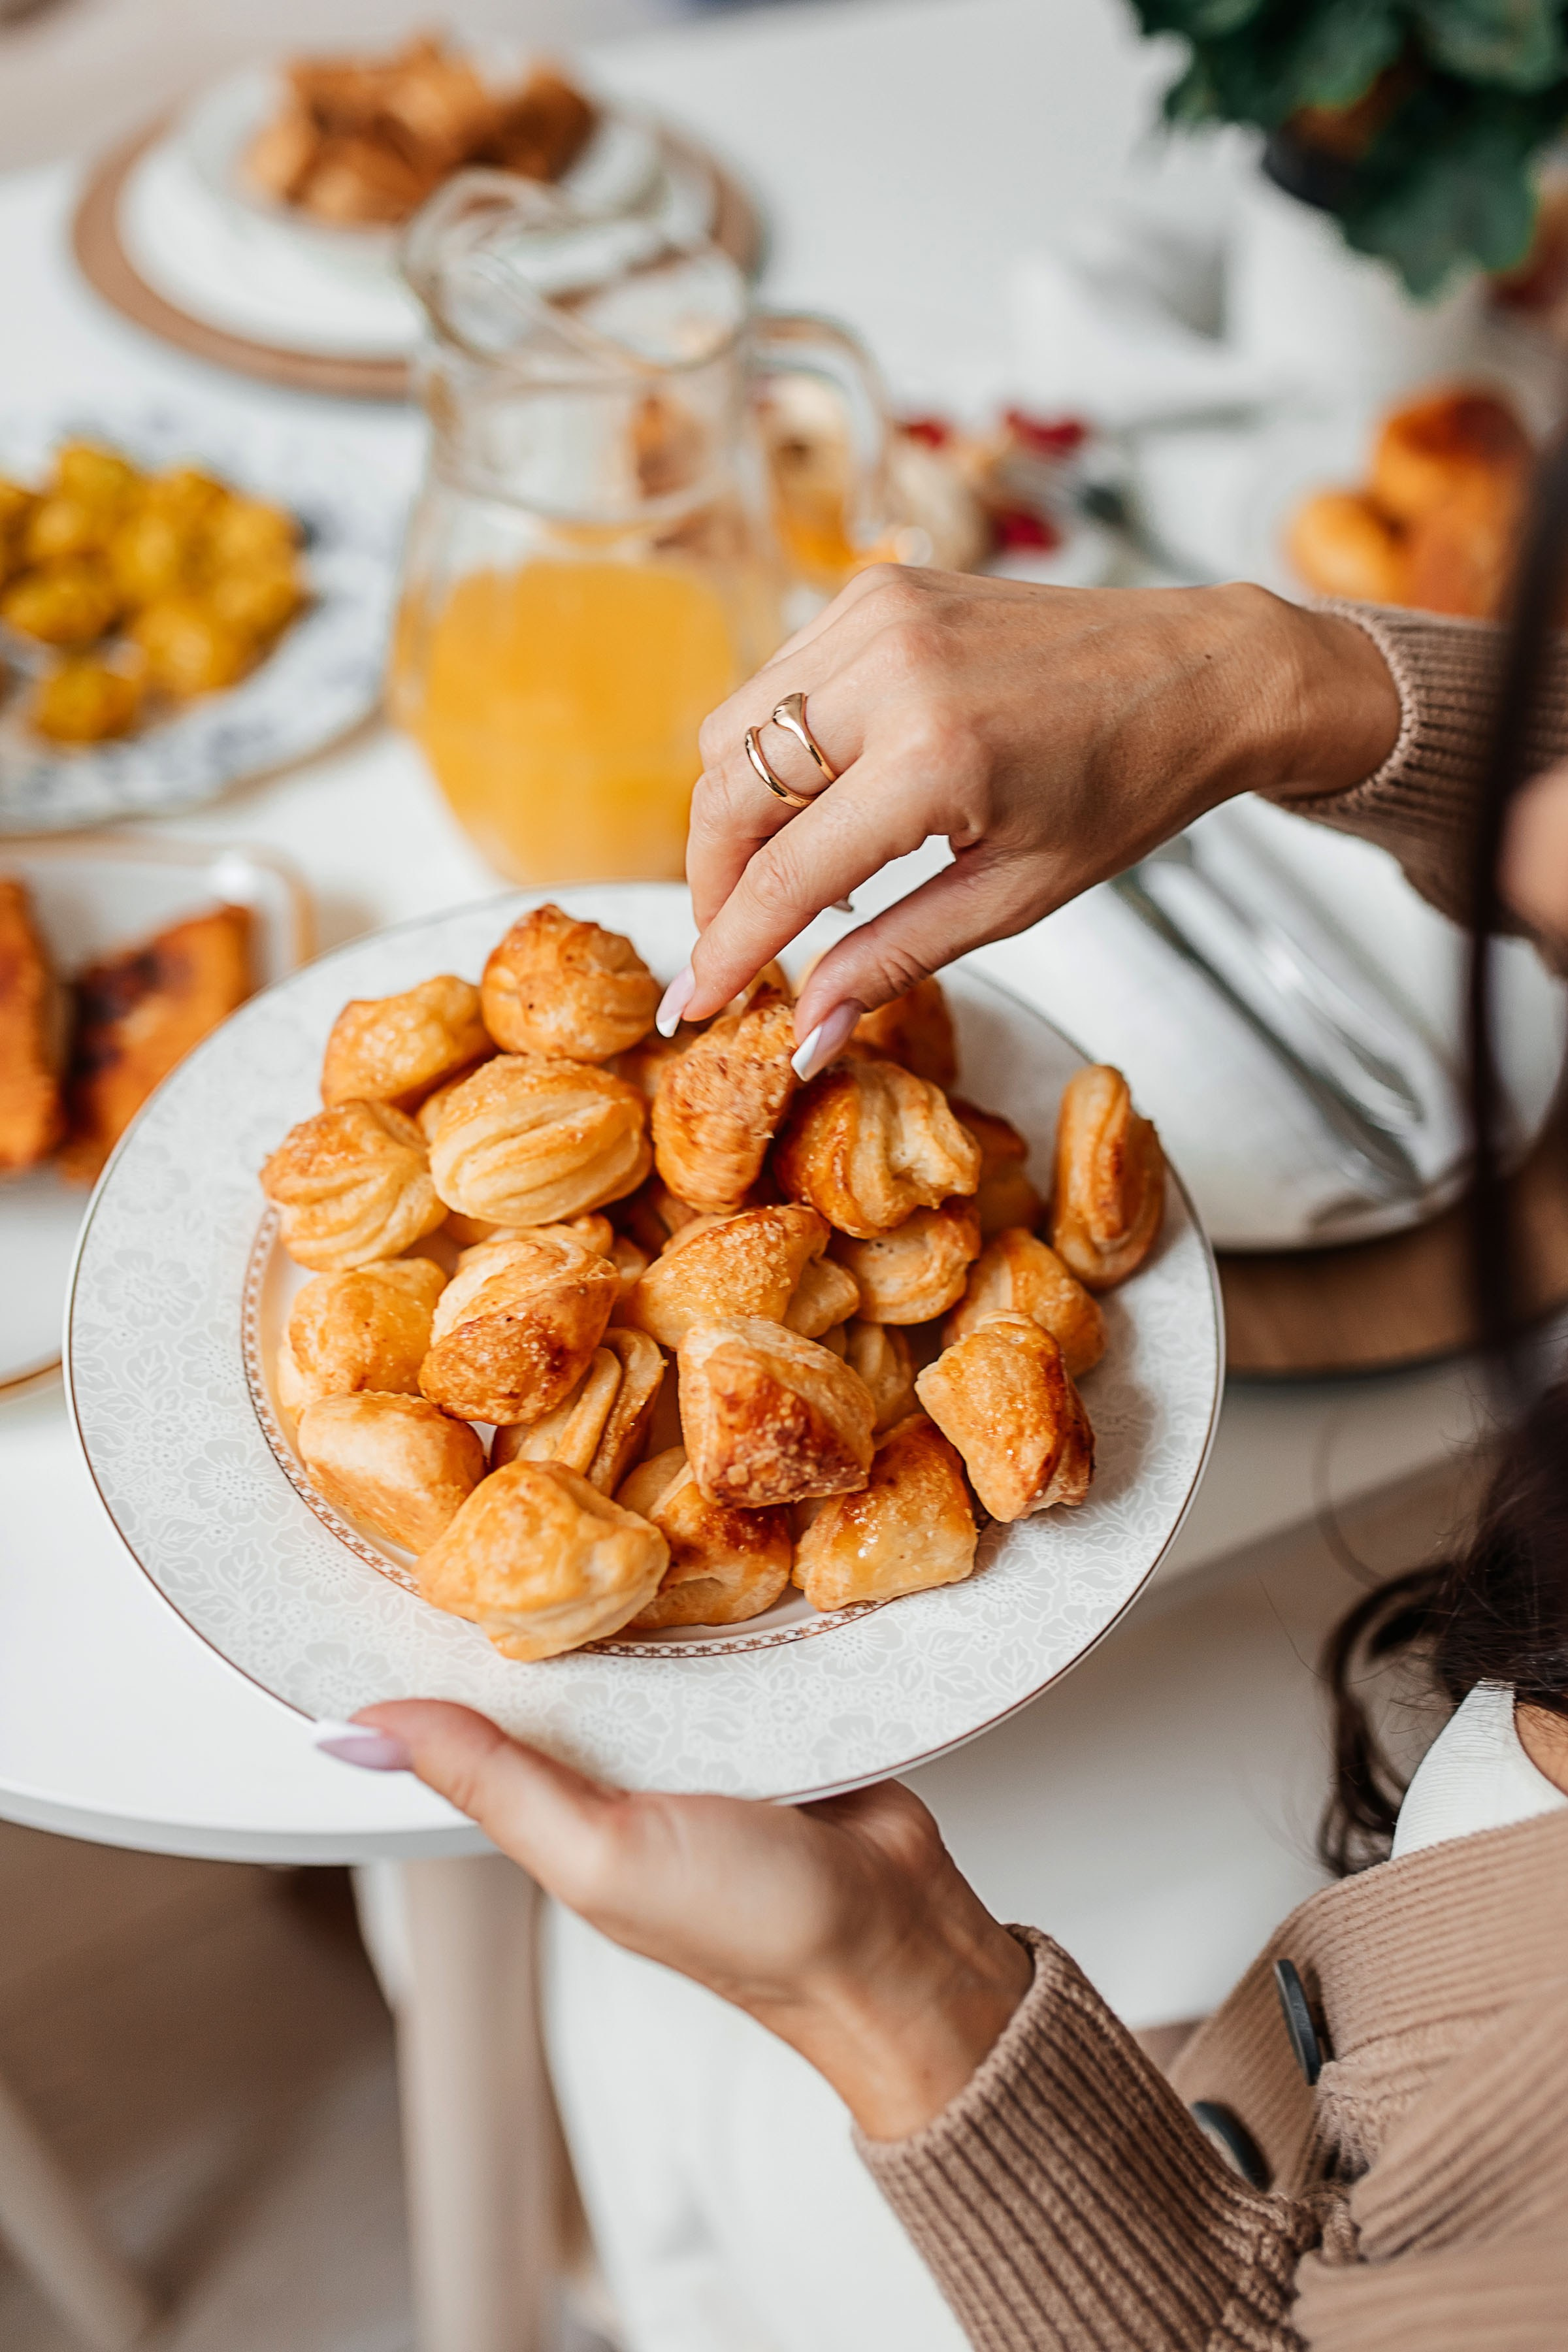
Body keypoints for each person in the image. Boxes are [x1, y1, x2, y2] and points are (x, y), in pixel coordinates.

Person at [325, 567, 1568, 2347]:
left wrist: (895, 1995)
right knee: (540, 1967)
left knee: (628, 2024)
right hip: (1382, 1841)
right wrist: (1274, 677)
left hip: (1211, 2212)